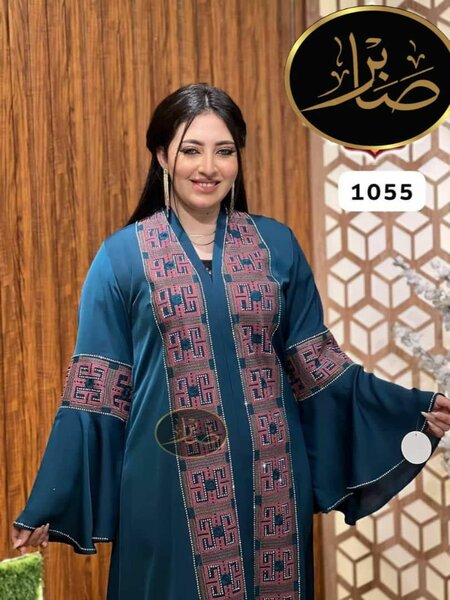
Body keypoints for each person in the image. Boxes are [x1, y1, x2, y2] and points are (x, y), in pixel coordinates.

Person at [11, 83, 450, 600]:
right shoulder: (121, 258)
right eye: (191, 150)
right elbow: (94, 392)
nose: (208, 167)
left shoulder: (276, 246)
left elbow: (320, 368)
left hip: (273, 482)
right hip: (163, 486)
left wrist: (413, 409)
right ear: (162, 156)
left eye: (224, 151)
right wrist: (51, 498)